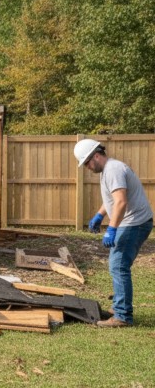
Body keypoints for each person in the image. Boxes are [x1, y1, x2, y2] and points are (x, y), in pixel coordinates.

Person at [74, 139, 153, 327]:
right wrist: (99, 215)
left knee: (118, 266)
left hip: (133, 223)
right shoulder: (110, 169)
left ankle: (122, 316)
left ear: (96, 156)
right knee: (118, 265)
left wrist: (112, 229)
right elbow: (112, 199)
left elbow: (121, 202)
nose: (87, 168)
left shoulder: (113, 170)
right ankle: (119, 305)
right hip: (135, 222)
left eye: (86, 163)